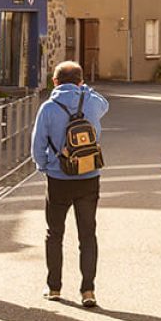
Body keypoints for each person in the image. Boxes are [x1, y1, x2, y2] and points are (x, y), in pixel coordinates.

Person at [31, 60, 109, 307]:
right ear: (81, 82)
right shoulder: (93, 102)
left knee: (54, 233)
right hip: (89, 176)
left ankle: (54, 287)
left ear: (54, 82)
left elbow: (37, 145)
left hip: (58, 177)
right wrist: (85, 91)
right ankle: (88, 290)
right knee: (87, 234)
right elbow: (104, 104)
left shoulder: (48, 107)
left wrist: (45, 166)